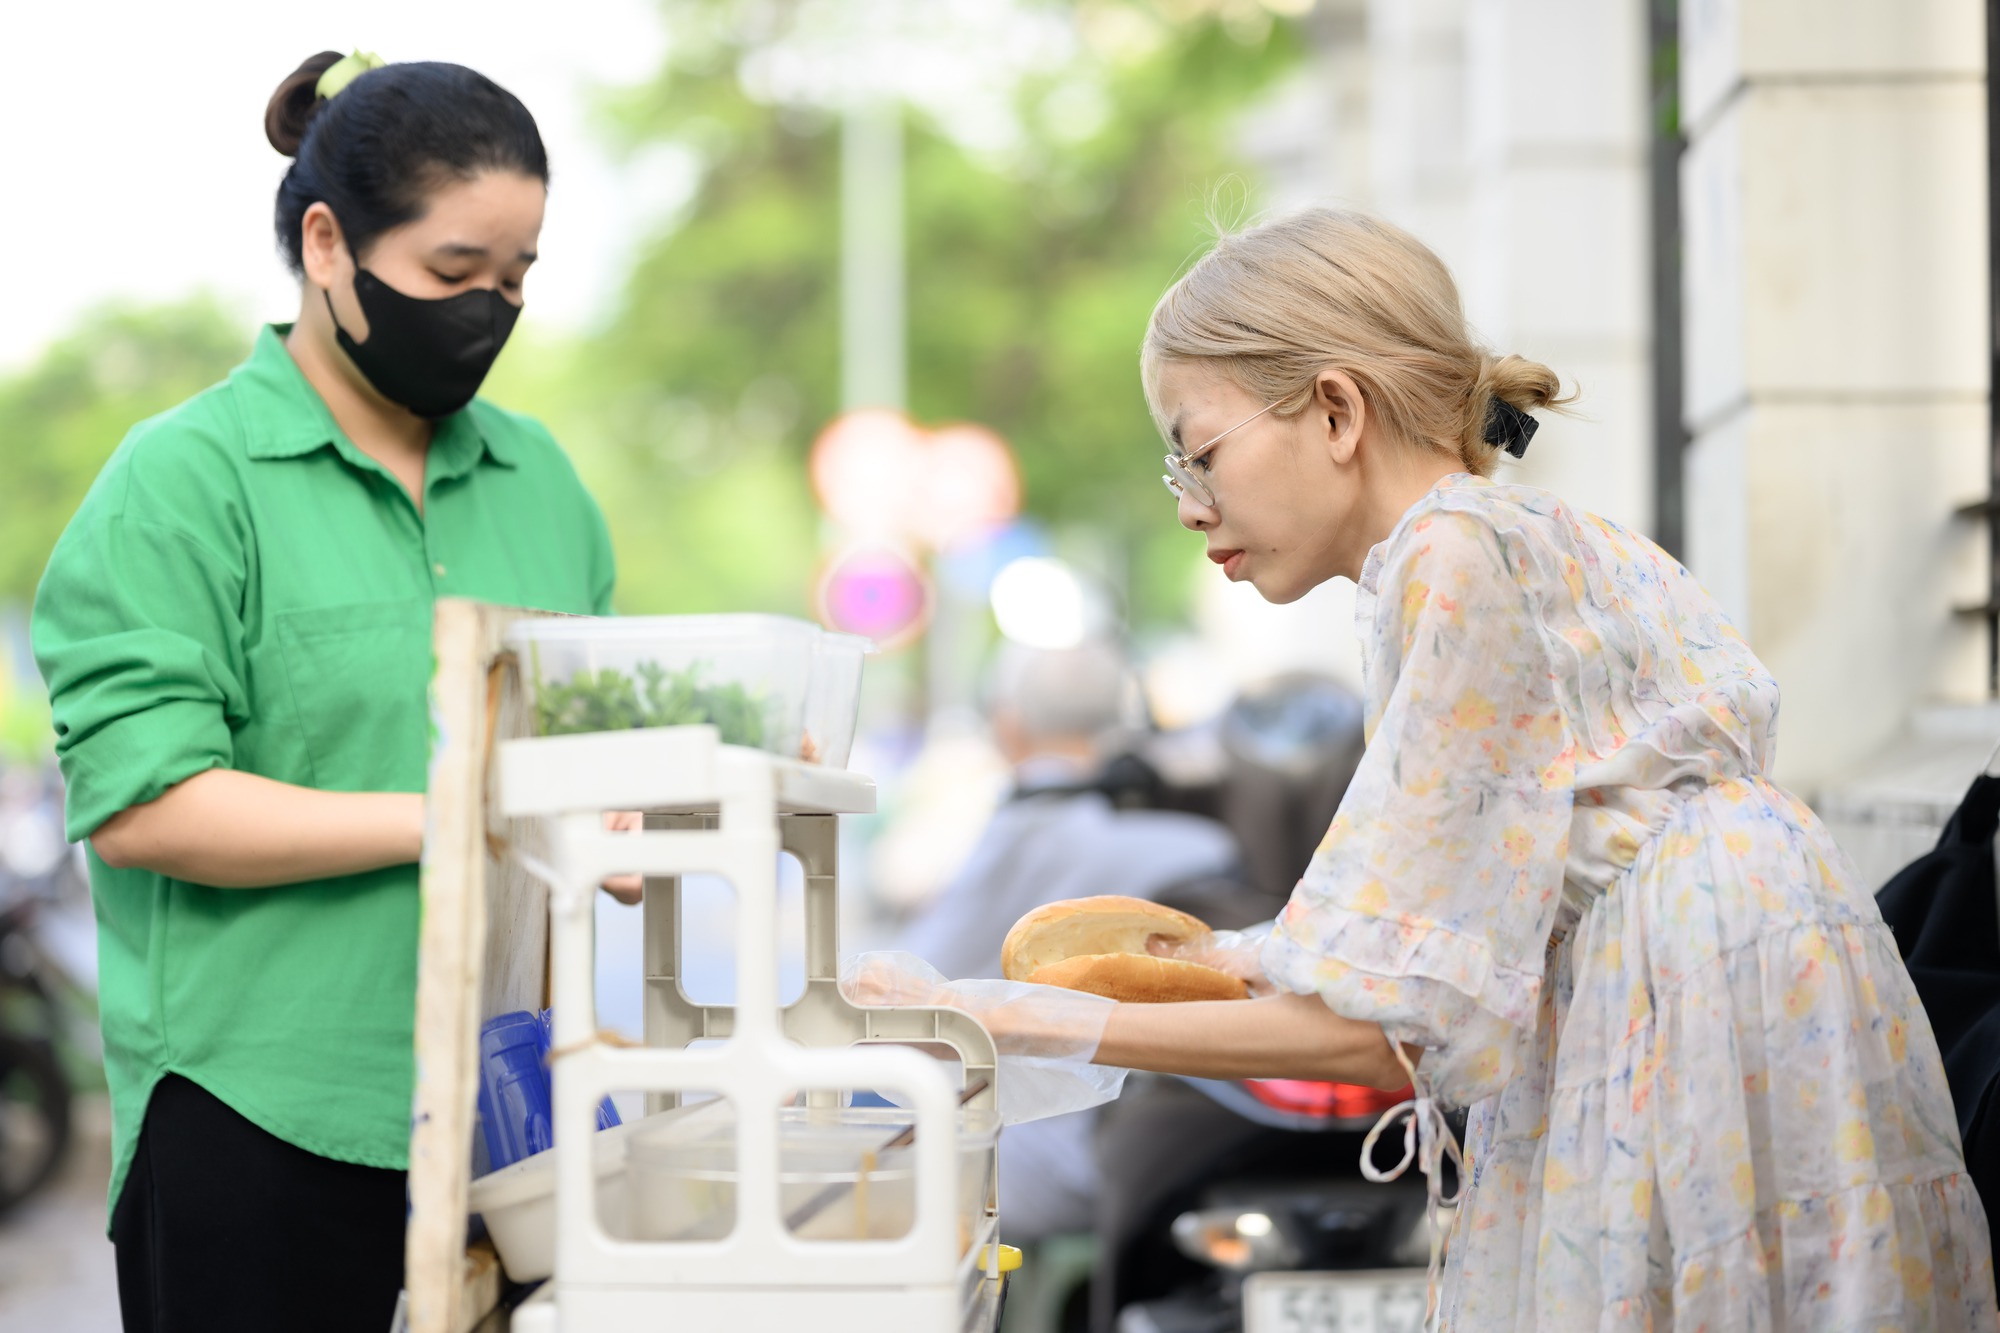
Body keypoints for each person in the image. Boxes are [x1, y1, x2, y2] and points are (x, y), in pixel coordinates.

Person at [856, 208, 1998, 1329]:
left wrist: (1010, 1017)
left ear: (1336, 410)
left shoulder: (1447, 558)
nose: (1192, 506)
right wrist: (1206, 960)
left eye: (1197, 452)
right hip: (1741, 986)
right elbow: (1430, 941)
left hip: (1685, 1005)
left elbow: (1386, 1030)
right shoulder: (1517, 533)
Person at [31, 52, 614, 1332]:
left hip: (507, 1120)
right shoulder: (183, 483)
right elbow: (148, 806)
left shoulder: (542, 483)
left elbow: (590, 763)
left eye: (515, 279)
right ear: (327, 242)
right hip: (259, 1124)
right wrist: (463, 811)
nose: (489, 309)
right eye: (453, 274)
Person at [897, 639, 1238, 1240]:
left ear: (1009, 725)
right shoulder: (1190, 840)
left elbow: (914, 980)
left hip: (1046, 1150)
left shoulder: (1026, 830)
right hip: (1174, 1140)